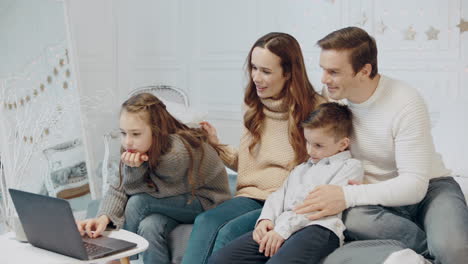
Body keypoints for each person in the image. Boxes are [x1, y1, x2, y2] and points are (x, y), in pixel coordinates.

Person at [292, 26, 468, 263]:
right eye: (323, 69)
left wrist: (347, 194)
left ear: (364, 70)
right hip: (373, 196)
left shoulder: (405, 102)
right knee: (352, 219)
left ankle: (438, 246)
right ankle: (428, 253)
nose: (324, 79)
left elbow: (414, 185)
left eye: (333, 71)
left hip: (430, 188)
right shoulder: (332, 96)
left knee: (454, 251)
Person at [181, 32, 325, 264]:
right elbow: (249, 164)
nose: (256, 77)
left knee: (230, 231)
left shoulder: (317, 110)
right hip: (250, 196)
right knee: (206, 221)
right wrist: (215, 144)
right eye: (253, 68)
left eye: (266, 71)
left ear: (288, 73)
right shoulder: (254, 108)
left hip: (285, 200)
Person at [76, 93, 231, 264]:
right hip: (177, 201)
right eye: (123, 133)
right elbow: (118, 187)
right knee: (150, 226)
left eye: (135, 134)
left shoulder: (176, 154)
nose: (127, 141)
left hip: (207, 201)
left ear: (156, 131)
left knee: (138, 203)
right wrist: (103, 218)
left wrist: (134, 169)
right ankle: (123, 257)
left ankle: (121, 258)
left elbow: (142, 192)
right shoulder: (136, 150)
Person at [208, 102, 364, 264]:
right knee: (220, 259)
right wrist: (265, 220)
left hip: (318, 227)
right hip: (281, 225)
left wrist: (282, 231)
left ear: (343, 144)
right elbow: (278, 196)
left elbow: (319, 207)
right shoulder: (302, 168)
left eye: (318, 145)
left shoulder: (350, 167)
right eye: (308, 142)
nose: (310, 150)